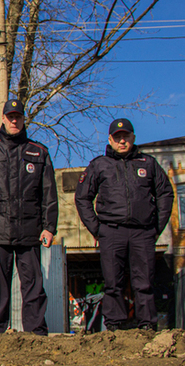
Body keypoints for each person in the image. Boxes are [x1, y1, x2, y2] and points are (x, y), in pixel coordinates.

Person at [0, 99, 58, 338]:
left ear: (24, 119)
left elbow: (49, 193)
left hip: (30, 230)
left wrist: (49, 227)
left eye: (18, 116)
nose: (14, 120)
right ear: (3, 119)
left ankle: (36, 333)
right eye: (10, 116)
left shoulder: (39, 152)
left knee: (34, 285)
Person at [74, 118, 173, 332]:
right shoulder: (99, 165)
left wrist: (157, 226)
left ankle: (147, 325)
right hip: (111, 232)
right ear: (110, 139)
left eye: (126, 136)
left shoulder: (148, 164)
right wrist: (97, 229)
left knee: (144, 281)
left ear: (133, 137)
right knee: (113, 282)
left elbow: (165, 192)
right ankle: (114, 326)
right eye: (117, 137)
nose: (122, 141)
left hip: (143, 232)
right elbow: (82, 198)